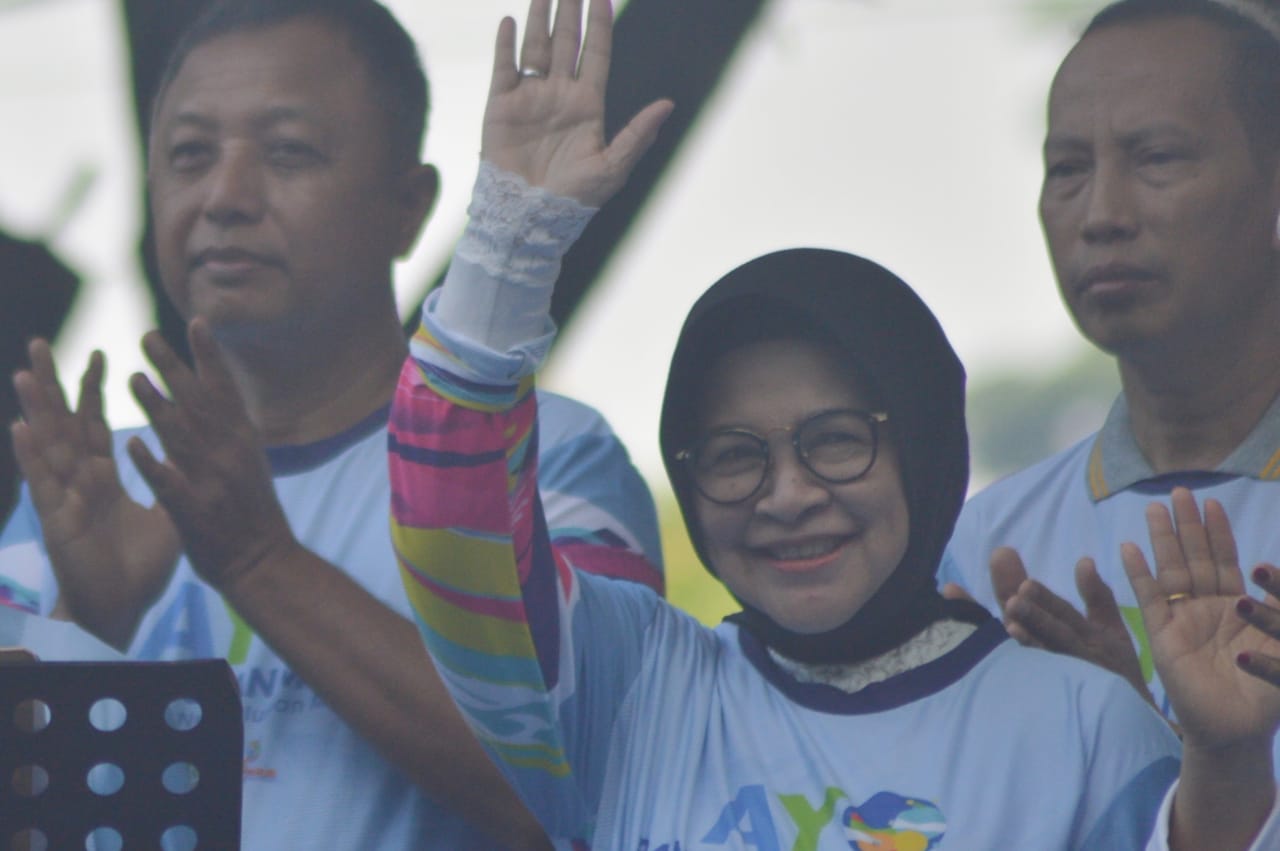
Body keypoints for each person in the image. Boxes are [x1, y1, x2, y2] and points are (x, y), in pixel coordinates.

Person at [390, 0, 1280, 846]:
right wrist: (512, 241)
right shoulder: (630, 681)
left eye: (837, 442)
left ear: (924, 451)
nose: (787, 495)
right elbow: (451, 542)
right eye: (735, 457)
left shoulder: (1088, 719)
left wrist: (1228, 760)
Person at [0, 0, 663, 848]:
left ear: (409, 205)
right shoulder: (93, 483)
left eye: (288, 152)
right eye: (190, 155)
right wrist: (86, 624)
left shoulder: (553, 456)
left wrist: (258, 561)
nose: (225, 197)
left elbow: (599, 783)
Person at [937, 0, 1280, 747]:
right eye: (1067, 169)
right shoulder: (990, 546)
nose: (1101, 213)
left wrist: (1136, 735)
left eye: (1156, 158)